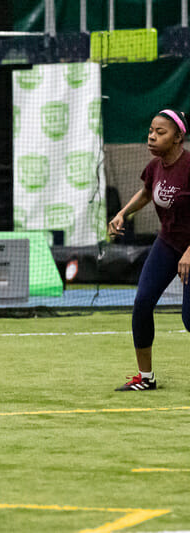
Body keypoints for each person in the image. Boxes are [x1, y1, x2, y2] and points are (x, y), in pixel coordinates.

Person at [108, 108, 190, 391]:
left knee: (189, 319)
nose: (152, 137)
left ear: (178, 137)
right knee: (142, 303)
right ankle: (145, 378)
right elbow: (146, 192)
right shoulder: (155, 167)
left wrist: (189, 252)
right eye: (151, 131)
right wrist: (122, 213)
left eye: (160, 132)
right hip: (168, 243)